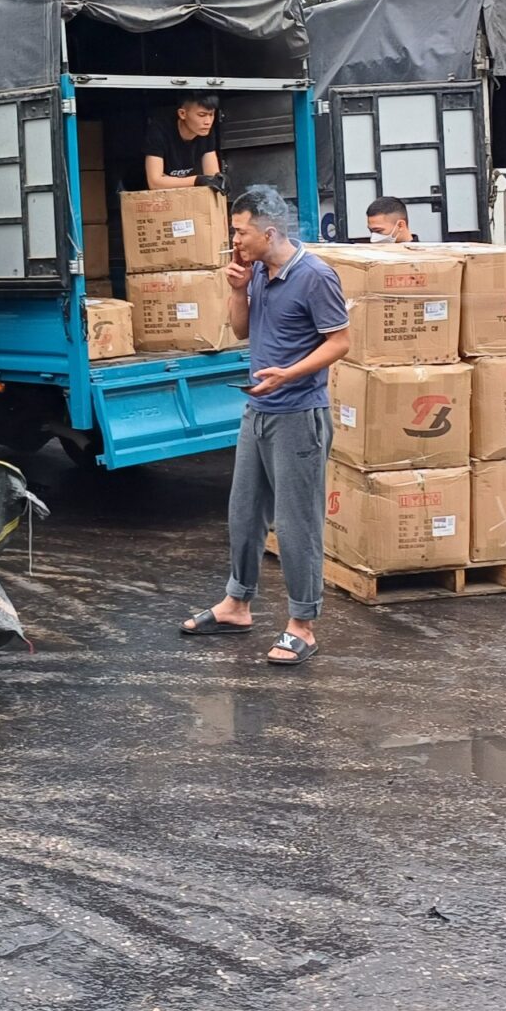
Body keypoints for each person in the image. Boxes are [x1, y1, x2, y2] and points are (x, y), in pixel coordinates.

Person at [180, 185, 350, 667]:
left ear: (268, 231)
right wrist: (236, 289)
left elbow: (341, 342)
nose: (234, 240)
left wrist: (290, 374)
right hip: (258, 411)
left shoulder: (315, 276)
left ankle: (303, 624)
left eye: (240, 231)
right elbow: (241, 330)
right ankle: (237, 604)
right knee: (243, 511)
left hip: (299, 414)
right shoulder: (257, 271)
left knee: (297, 524)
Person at [143, 94, 226, 191]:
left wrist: (220, 181)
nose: (208, 122)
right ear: (182, 114)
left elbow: (212, 176)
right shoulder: (159, 131)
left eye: (211, 115)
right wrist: (197, 180)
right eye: (202, 115)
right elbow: (154, 182)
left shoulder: (206, 131)